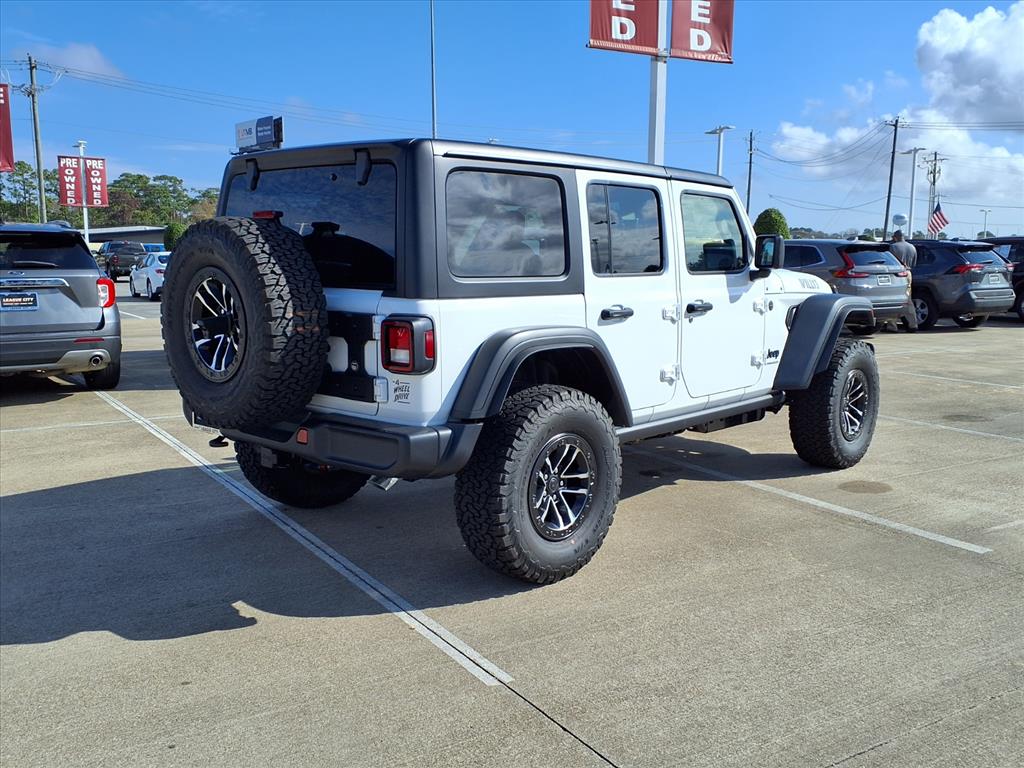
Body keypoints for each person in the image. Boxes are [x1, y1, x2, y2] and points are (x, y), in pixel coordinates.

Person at [888, 230, 918, 332]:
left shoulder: (893, 247)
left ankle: (892, 326)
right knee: (908, 299)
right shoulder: (912, 247)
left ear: (895, 237)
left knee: (893, 299)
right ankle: (913, 324)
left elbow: (889, 262)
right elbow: (914, 263)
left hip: (896, 274)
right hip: (908, 273)